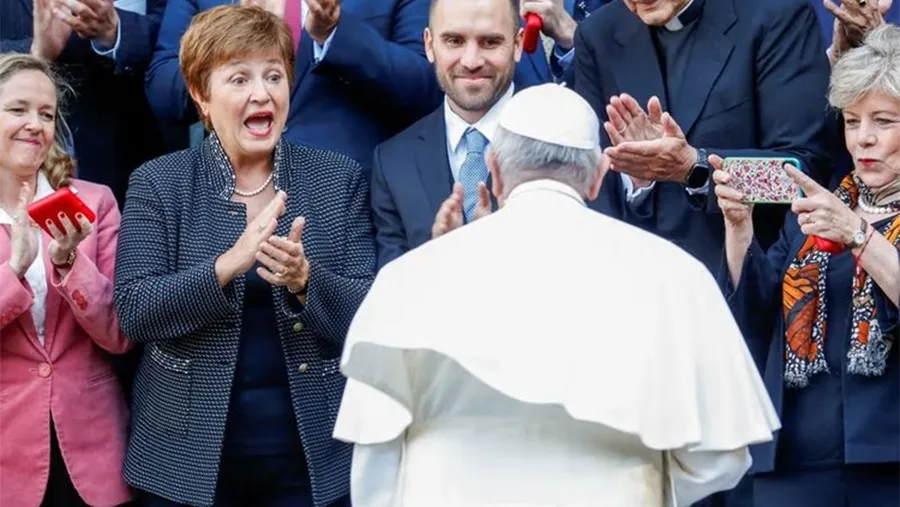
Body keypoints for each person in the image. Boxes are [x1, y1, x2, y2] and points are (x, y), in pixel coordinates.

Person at [333, 84, 780, 507]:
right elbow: (720, 457)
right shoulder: (676, 276)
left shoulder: (410, 281)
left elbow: (376, 463)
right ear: (599, 176)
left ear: (492, 169)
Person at [113, 6, 376, 507]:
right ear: (200, 95)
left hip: (312, 453)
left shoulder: (336, 177)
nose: (262, 92)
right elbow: (134, 310)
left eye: (274, 75)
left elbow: (367, 314)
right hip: (184, 457)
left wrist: (304, 280)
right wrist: (227, 265)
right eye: (240, 78)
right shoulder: (160, 182)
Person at [714, 24, 900, 507]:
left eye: (883, 121)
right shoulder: (818, 209)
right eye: (852, 121)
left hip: (888, 458)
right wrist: (740, 228)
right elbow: (752, 318)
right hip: (794, 459)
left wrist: (859, 235)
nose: (864, 139)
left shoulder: (835, 216)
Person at [574, 0, 835, 272]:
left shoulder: (776, 14)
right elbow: (595, 188)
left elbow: (804, 176)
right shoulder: (598, 34)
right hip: (636, 281)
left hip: (744, 282)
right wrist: (636, 179)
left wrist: (695, 168)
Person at [0, 53, 132, 507]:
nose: (34, 124)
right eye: (17, 109)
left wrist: (67, 261)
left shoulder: (94, 203)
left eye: (46, 113)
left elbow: (120, 334)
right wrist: (13, 270)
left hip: (94, 449)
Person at [146, 0, 443, 175]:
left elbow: (426, 87)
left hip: (349, 201)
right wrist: (231, 49)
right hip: (227, 197)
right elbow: (163, 89)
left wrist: (334, 35)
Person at [371, 0, 521, 268]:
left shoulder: (559, 143)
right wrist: (439, 258)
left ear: (518, 44)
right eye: (454, 41)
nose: (471, 61)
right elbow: (390, 294)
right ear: (429, 44)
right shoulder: (393, 162)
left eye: (489, 42)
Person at [1, 0, 172, 203]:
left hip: (138, 150)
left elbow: (179, 37)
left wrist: (118, 31)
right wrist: (36, 53)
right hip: (17, 156)